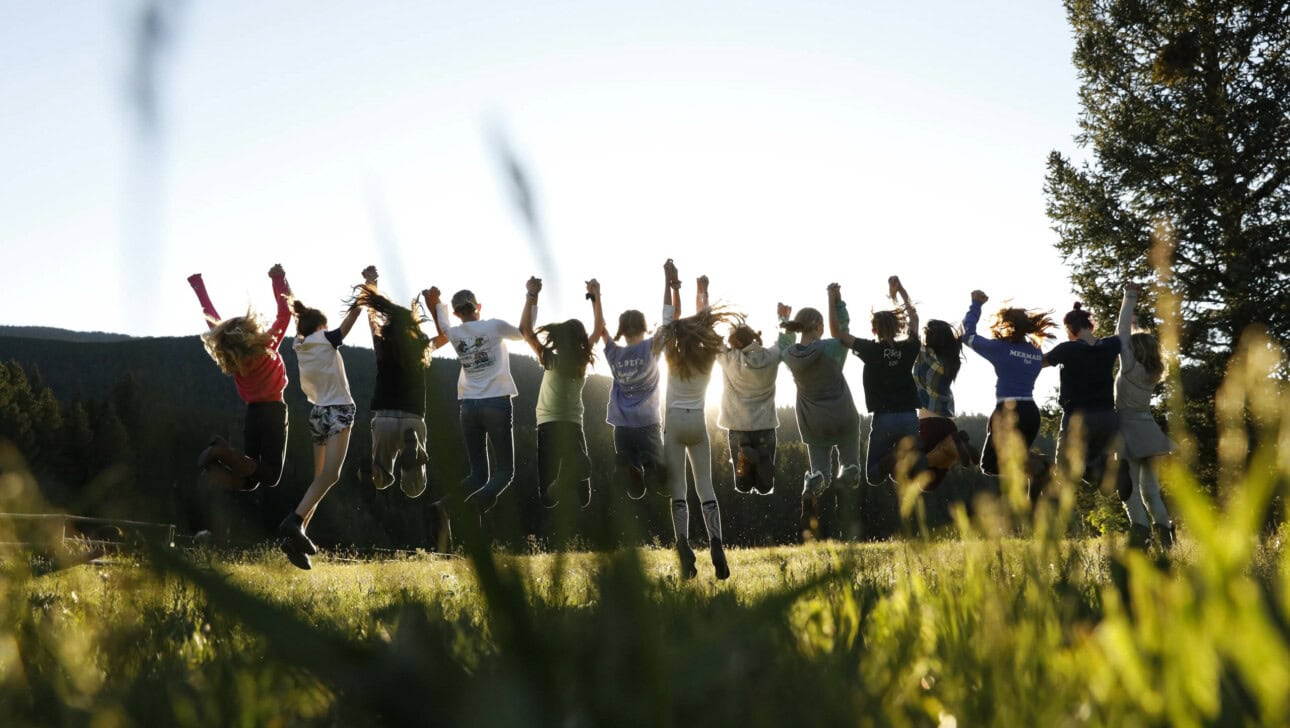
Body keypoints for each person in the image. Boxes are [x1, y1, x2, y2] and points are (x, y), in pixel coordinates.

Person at [654, 267, 740, 580]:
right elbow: (705, 326)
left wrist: (668, 283)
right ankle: (716, 542)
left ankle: (683, 546)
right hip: (698, 424)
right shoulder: (709, 355)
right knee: (706, 488)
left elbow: (667, 317)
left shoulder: (670, 353)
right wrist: (702, 291)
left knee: (678, 490)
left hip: (674, 424)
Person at [275, 279, 364, 570]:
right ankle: (295, 521)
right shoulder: (326, 339)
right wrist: (365, 293)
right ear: (320, 326)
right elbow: (348, 323)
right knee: (332, 476)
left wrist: (283, 283)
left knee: (319, 479)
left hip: (317, 413)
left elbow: (297, 313)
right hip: (338, 409)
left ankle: (295, 540)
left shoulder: (299, 344)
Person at [189, 264, 293, 493]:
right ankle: (220, 452)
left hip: (253, 414)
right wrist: (278, 279)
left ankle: (214, 464)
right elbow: (285, 314)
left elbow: (213, 321)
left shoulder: (233, 360)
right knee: (271, 475)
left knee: (250, 480)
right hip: (274, 411)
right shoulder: (267, 346)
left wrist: (199, 287)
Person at [428, 283, 525, 512]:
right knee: (505, 472)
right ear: (478, 306)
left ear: (456, 313)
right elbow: (522, 333)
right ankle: (476, 505)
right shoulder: (494, 326)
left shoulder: (452, 333)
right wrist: (531, 297)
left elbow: (441, 324)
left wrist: (434, 301)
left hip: (468, 407)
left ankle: (442, 507)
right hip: (496, 403)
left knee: (478, 474)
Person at [829, 277, 926, 487]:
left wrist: (832, 299)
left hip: (884, 419)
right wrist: (900, 289)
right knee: (913, 474)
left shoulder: (871, 350)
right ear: (898, 328)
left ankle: (896, 455)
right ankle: (908, 454)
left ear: (874, 330)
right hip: (909, 416)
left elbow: (838, 334)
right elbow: (915, 318)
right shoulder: (907, 348)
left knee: (873, 475)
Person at [586, 264, 673, 500]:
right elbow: (668, 320)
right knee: (663, 485)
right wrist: (668, 282)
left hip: (622, 427)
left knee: (634, 492)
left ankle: (632, 466)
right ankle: (650, 465)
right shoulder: (651, 348)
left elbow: (600, 327)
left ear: (621, 330)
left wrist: (595, 296)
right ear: (644, 327)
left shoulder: (614, 353)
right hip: (648, 424)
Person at [961, 290, 1057, 502]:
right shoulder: (1035, 352)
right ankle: (1038, 475)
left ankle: (1042, 464)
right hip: (1031, 413)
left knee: (989, 465)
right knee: (1020, 460)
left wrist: (975, 305)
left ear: (1008, 326)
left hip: (1007, 411)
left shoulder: (1000, 348)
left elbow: (967, 336)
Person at [779, 299, 861, 538]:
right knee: (850, 464)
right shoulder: (832, 348)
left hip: (813, 422)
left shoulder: (789, 355)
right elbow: (843, 329)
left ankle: (812, 485)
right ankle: (847, 476)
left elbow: (784, 341)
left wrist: (784, 320)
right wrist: (837, 302)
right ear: (817, 325)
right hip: (843, 417)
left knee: (821, 473)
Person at [519, 276, 595, 509]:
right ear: (580, 341)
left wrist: (532, 295)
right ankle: (567, 477)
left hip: (547, 424)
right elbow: (600, 328)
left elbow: (525, 330)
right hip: (572, 425)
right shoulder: (582, 360)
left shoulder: (550, 359)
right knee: (584, 495)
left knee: (547, 498)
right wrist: (595, 297)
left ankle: (560, 481)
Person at [1114, 282, 1175, 550]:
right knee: (1151, 491)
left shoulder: (1129, 366)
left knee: (1130, 494)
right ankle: (1167, 542)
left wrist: (1130, 296)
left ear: (1134, 349)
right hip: (1150, 433)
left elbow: (1121, 330)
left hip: (1128, 433)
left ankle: (1140, 539)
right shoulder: (1152, 372)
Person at [712, 276, 785, 496]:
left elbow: (709, 337)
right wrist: (783, 318)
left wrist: (705, 299)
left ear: (736, 342)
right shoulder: (771, 356)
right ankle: (760, 456)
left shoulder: (730, 359)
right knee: (765, 487)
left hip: (738, 427)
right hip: (765, 426)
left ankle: (749, 454)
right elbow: (784, 342)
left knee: (742, 485)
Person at [1045, 301, 1121, 488]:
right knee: (1099, 461)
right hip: (1108, 417)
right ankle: (1107, 469)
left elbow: (1037, 363)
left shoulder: (1066, 349)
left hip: (1077, 417)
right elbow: (1124, 332)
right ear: (1091, 325)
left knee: (1064, 469)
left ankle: (1094, 470)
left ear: (1070, 328)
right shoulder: (1110, 345)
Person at [913, 317, 975, 490]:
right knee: (933, 470)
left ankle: (952, 444)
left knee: (925, 481)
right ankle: (952, 443)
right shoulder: (952, 360)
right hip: (947, 423)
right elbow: (964, 327)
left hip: (928, 424)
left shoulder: (923, 355)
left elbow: (912, 328)